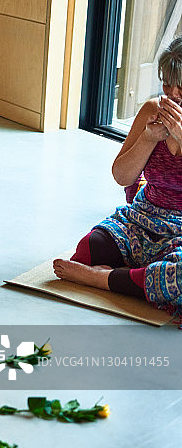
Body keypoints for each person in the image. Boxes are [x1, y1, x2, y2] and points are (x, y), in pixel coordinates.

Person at [53, 37, 182, 315]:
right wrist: (148, 138)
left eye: (181, 86)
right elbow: (122, 176)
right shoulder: (151, 110)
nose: (172, 94)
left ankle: (101, 278)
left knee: (179, 278)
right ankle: (136, 277)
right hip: (144, 217)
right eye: (167, 84)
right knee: (88, 249)